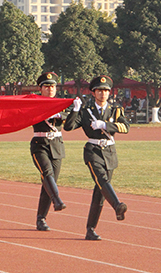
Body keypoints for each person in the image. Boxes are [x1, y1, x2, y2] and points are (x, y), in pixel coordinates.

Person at [64, 75, 130, 241]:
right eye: (99, 90)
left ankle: (90, 229)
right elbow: (69, 126)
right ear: (93, 92)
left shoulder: (115, 110)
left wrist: (105, 125)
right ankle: (117, 205)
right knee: (101, 180)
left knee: (100, 193)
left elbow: (125, 127)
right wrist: (76, 110)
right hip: (93, 150)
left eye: (106, 90)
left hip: (109, 151)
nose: (103, 93)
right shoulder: (86, 111)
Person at [31, 72, 67, 232]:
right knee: (47, 174)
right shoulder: (34, 103)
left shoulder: (61, 103)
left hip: (57, 145)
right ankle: (57, 199)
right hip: (40, 144)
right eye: (46, 86)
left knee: (49, 182)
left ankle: (41, 219)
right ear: (40, 88)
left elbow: (71, 122)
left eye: (52, 86)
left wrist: (63, 114)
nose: (50, 89)